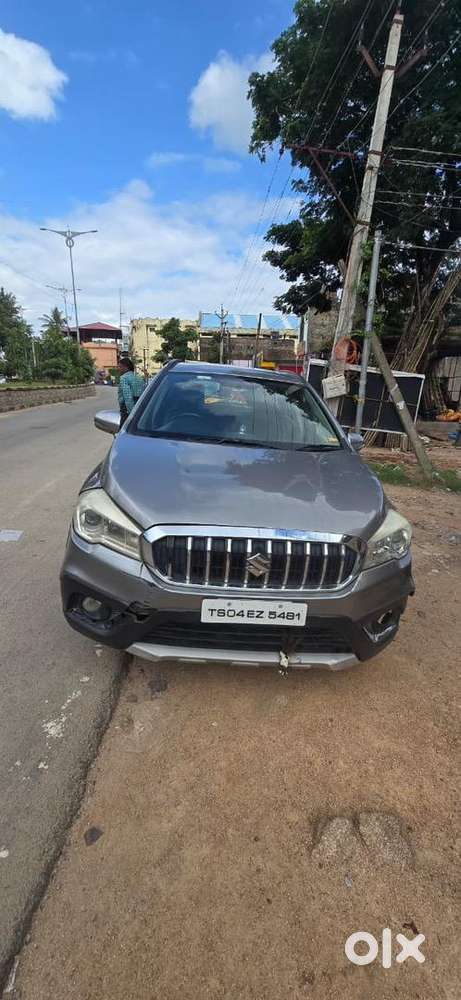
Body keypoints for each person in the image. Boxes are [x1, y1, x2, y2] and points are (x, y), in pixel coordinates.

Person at [117, 357, 146, 425]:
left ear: (125, 367)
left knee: (123, 430)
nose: (118, 369)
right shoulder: (138, 377)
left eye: (120, 366)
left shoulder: (123, 378)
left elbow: (127, 396)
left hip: (127, 408)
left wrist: (131, 414)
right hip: (139, 406)